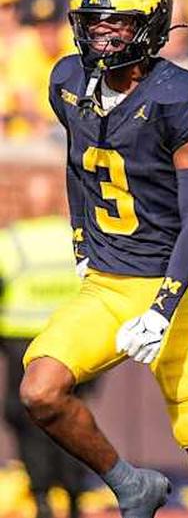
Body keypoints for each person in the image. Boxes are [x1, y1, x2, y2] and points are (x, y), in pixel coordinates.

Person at [19, 0, 188, 518]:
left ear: (152, 27)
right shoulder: (66, 81)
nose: (102, 35)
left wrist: (162, 308)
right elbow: (77, 164)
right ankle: (132, 484)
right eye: (93, 23)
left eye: (117, 24)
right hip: (107, 289)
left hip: (171, 291)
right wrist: (82, 241)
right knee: (40, 391)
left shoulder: (178, 95)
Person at [0, 173, 85, 518]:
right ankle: (76, 495)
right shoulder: (74, 238)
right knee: (74, 419)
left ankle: (43, 499)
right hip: (71, 343)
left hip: (22, 342)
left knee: (28, 421)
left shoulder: (11, 240)